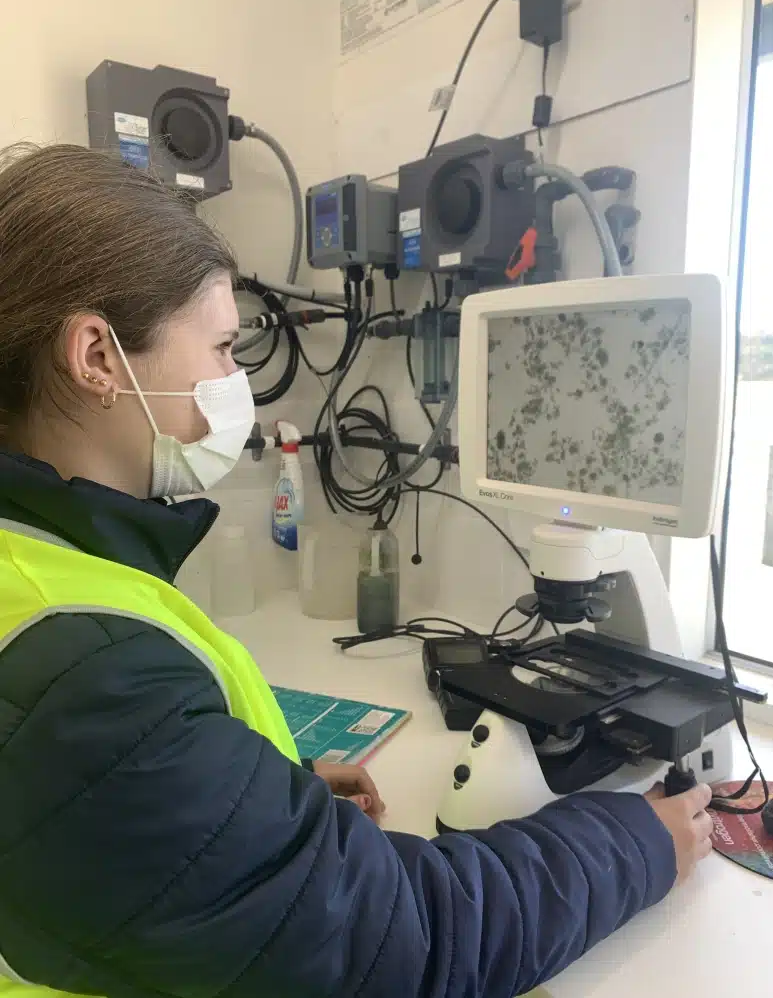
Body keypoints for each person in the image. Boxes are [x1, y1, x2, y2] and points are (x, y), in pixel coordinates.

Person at [0, 143, 713, 998]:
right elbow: (412, 941)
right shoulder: (87, 677)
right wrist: (636, 842)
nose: (236, 381)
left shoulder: (37, 573)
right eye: (222, 348)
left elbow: (98, 823)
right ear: (97, 357)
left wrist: (257, 804)